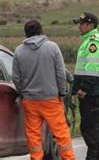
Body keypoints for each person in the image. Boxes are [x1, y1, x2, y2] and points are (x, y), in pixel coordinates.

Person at [12, 20, 75, 160]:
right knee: (62, 135)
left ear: (26, 33)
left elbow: (16, 78)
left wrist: (23, 92)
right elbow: (60, 73)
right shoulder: (52, 47)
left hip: (30, 101)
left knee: (34, 137)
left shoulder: (18, 51)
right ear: (41, 31)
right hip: (51, 99)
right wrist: (62, 93)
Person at [72, 12, 99, 160]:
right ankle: (97, 156)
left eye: (82, 24)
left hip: (91, 92)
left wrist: (83, 89)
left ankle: (92, 156)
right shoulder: (89, 41)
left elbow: (91, 68)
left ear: (90, 25)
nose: (79, 27)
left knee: (89, 126)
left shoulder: (93, 42)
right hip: (92, 91)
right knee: (95, 125)